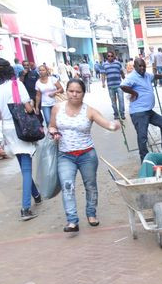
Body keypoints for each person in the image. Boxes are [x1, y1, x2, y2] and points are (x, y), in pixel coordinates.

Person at [48, 78, 120, 232]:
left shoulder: (89, 111)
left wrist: (114, 125)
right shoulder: (57, 108)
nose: (74, 94)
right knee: (67, 186)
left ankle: (91, 214)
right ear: (66, 91)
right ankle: (72, 221)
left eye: (78, 92)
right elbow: (52, 125)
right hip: (65, 155)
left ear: (83, 93)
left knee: (91, 186)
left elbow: (107, 124)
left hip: (87, 155)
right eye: (71, 91)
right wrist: (53, 132)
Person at [0, 58, 42, 220]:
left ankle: (36, 195)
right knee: (26, 169)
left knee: (22, 164)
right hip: (21, 128)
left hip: (7, 129)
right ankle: (25, 208)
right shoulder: (16, 84)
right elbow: (28, 108)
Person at [120, 57, 162, 161]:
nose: (142, 68)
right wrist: (134, 93)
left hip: (148, 111)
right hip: (138, 112)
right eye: (140, 66)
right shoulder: (132, 77)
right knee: (143, 136)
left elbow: (154, 76)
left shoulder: (146, 75)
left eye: (143, 65)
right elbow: (123, 86)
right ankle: (145, 158)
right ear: (135, 67)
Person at [101, 51, 126, 120]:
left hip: (119, 85)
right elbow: (103, 75)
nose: (110, 57)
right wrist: (103, 83)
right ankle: (116, 114)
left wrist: (125, 80)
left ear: (114, 56)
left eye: (111, 56)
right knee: (113, 101)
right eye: (108, 56)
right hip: (110, 86)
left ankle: (122, 113)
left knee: (121, 100)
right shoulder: (104, 65)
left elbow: (121, 72)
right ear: (107, 57)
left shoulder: (118, 63)